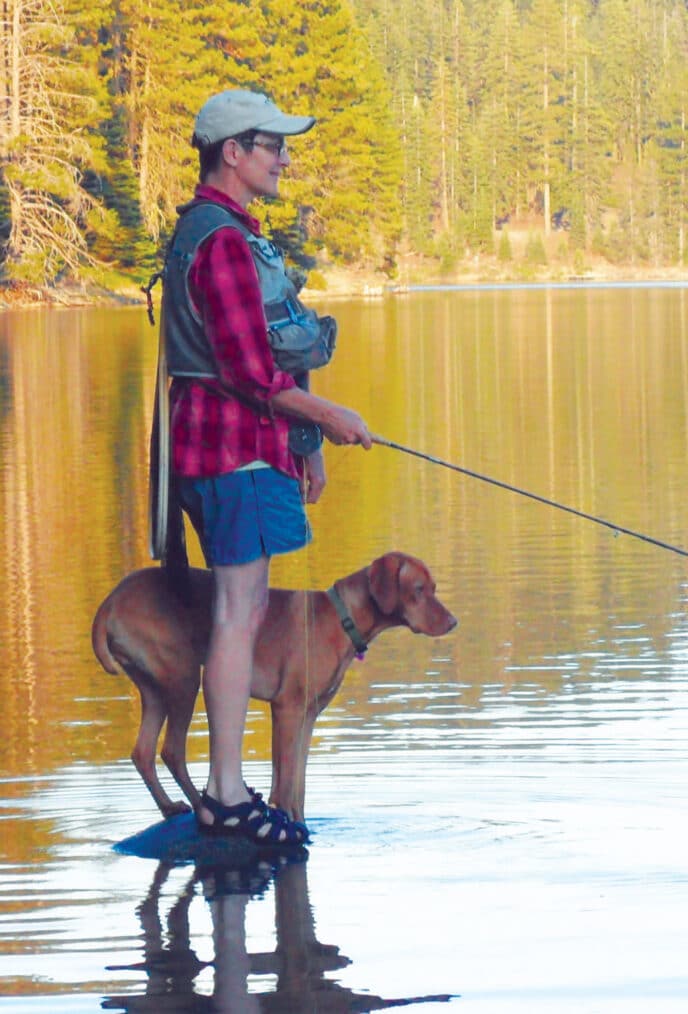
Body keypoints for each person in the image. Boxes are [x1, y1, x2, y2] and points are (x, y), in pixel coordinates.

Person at [161, 89, 372, 846]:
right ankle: (224, 793)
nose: (284, 159)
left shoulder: (217, 231)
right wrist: (331, 418)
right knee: (236, 613)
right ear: (233, 153)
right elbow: (251, 374)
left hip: (233, 449)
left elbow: (274, 353)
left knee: (241, 611)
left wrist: (305, 445)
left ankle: (226, 787)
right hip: (231, 452)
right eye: (272, 146)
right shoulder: (220, 243)